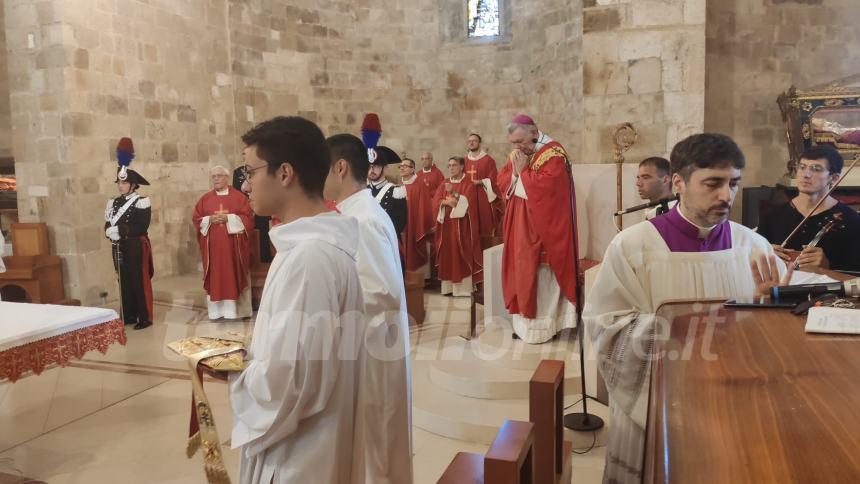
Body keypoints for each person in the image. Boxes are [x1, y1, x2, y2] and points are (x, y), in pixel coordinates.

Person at [585, 133, 796, 484]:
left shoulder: (752, 246)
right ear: (679, 183)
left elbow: (776, 334)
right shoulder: (633, 247)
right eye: (713, 183)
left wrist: (770, 307)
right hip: (660, 400)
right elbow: (606, 325)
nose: (726, 195)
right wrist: (672, 329)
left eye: (734, 183)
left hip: (735, 398)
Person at [228, 116, 367, 484]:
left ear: (285, 172)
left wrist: (233, 372)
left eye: (250, 169)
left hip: (298, 456)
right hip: (313, 443)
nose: (245, 184)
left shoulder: (309, 259)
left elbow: (290, 382)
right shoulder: (308, 247)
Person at [324, 133, 413, 484]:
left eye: (322, 168)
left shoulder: (361, 220)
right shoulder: (357, 212)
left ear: (341, 168)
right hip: (369, 351)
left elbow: (381, 294)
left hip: (373, 355)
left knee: (376, 450)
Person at [497, 114, 577, 343]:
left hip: (544, 230)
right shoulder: (520, 153)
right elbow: (502, 180)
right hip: (520, 229)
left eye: (520, 141)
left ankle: (543, 329)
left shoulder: (554, 153)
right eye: (513, 143)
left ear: (534, 132)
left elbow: (548, 191)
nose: (517, 147)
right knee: (521, 274)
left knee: (541, 279)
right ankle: (524, 327)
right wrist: (514, 173)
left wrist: (522, 173)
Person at [758, 145, 860, 274]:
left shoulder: (852, 221)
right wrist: (766, 257)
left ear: (833, 178)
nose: (805, 174)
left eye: (816, 169)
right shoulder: (772, 215)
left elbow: (855, 274)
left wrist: (828, 265)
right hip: (780, 290)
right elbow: (751, 262)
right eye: (802, 167)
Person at [103, 137, 154, 330]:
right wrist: (109, 231)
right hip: (118, 246)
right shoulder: (114, 202)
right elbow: (108, 221)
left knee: (137, 280)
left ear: (133, 185)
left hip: (135, 246)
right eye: (119, 183)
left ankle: (144, 317)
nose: (120, 186)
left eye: (124, 184)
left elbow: (142, 226)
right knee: (122, 279)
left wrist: (121, 230)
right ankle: (128, 315)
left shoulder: (142, 201)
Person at [192, 165, 254, 320]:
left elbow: (248, 219)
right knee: (216, 278)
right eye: (213, 176)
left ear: (227, 178)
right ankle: (216, 312)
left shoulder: (239, 198)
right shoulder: (205, 199)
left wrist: (229, 218)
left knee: (232, 275)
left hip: (233, 249)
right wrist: (209, 219)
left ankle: (235, 311)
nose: (216, 179)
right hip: (213, 250)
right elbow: (197, 219)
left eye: (219, 176)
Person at [432, 156, 483, 296]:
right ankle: (448, 288)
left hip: (463, 227)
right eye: (449, 165)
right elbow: (435, 202)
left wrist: (453, 193)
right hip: (446, 227)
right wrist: (445, 203)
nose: (451, 168)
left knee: (461, 253)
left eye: (454, 165)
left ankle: (463, 289)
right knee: (447, 254)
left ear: (461, 167)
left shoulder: (468, 183)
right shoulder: (444, 183)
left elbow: (469, 205)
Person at [362, 114, 408, 236]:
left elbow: (399, 224)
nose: (372, 170)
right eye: (369, 167)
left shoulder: (396, 191)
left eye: (376, 166)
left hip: (386, 243)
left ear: (385, 167)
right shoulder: (361, 190)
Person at [465, 133, 504, 239]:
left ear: (479, 143)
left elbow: (494, 179)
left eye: (474, 141)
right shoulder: (464, 161)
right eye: (469, 141)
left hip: (484, 197)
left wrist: (482, 182)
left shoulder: (488, 160)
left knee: (485, 223)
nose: (471, 143)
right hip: (468, 197)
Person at [400, 157, 435, 275]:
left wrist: (422, 224)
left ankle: (418, 279)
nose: (402, 168)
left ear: (412, 169)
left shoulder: (419, 185)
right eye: (401, 166)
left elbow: (425, 207)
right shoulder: (397, 186)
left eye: (405, 166)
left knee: (414, 251)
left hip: (415, 225)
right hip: (401, 225)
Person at [233, 165, 273, 263]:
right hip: (244, 207)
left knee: (263, 232)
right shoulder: (238, 171)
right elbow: (236, 190)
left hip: (260, 204)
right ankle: (248, 258)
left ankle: (264, 257)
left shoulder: (258, 169)